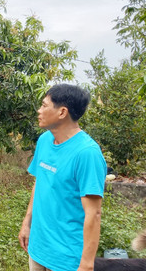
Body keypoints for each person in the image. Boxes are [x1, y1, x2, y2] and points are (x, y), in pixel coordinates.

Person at [18, 84, 107, 271]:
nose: (39, 110)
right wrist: (27, 223)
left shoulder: (87, 153)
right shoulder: (44, 141)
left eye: (44, 105)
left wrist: (86, 265)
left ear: (62, 112)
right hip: (38, 248)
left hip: (67, 259)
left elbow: (93, 213)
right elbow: (40, 182)